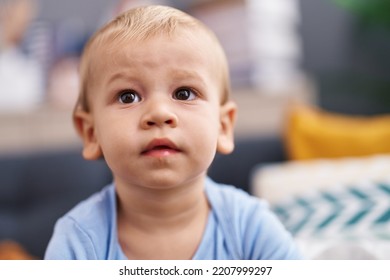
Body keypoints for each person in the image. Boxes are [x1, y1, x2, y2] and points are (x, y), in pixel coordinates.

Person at [45, 5, 302, 260]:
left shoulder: (249, 227)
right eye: (128, 96)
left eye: (184, 93)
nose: (159, 113)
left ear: (223, 126)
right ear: (91, 133)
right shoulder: (78, 241)